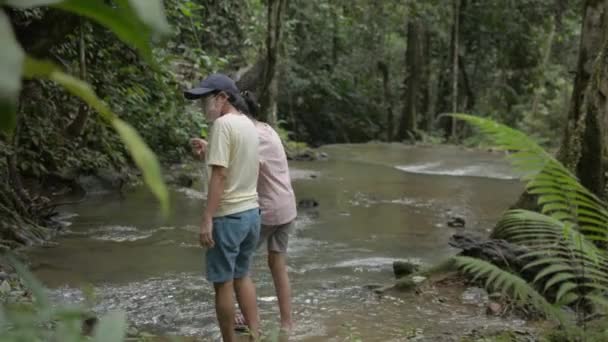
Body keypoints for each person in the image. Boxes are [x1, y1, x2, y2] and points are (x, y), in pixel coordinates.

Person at [191, 91, 297, 333]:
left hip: (265, 208)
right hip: (287, 207)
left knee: (236, 270)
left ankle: (240, 318)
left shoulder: (245, 130)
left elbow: (238, 164)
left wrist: (213, 153)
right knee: (277, 265)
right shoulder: (266, 129)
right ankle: (287, 324)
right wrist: (212, 149)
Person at [185, 73, 261, 342]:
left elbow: (220, 175)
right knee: (242, 276)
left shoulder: (222, 126)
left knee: (223, 285)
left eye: (206, 99)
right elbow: (238, 161)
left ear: (223, 97)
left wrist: (207, 218)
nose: (203, 105)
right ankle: (255, 336)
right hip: (251, 214)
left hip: (227, 217)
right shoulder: (249, 125)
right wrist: (210, 150)